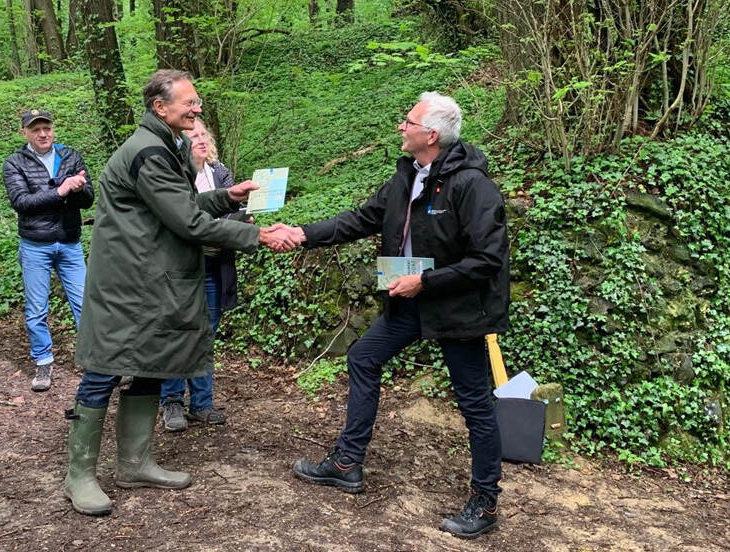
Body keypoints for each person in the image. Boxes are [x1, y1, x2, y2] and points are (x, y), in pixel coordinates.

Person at [277, 92, 509, 539]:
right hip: (408, 301)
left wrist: (426, 280)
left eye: (409, 121)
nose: (401, 127)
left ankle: (484, 502)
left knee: (475, 404)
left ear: (431, 134)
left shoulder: (472, 185)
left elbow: (488, 259)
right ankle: (347, 463)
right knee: (364, 356)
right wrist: (301, 233)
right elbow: (361, 219)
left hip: (457, 308)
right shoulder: (406, 177)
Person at [64, 69, 294, 516]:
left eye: (197, 100)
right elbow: (187, 223)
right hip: (127, 285)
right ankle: (80, 476)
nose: (197, 108)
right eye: (189, 102)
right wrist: (257, 236)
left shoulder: (167, 145)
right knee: (104, 370)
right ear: (160, 107)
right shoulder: (148, 151)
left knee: (151, 363)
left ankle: (134, 464)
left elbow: (179, 206)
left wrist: (226, 197)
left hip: (153, 281)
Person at [159, 117, 249, 431]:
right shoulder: (171, 175)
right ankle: (171, 402)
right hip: (180, 268)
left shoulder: (220, 173)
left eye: (201, 134)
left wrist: (245, 222)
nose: (198, 140)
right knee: (177, 332)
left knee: (205, 335)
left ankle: (201, 403)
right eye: (191, 136)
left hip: (213, 265)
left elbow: (231, 213)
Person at [2, 110, 94, 392]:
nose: (43, 134)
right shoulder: (15, 162)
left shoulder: (70, 156)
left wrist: (77, 188)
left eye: (47, 128)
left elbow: (88, 200)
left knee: (86, 303)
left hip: (69, 241)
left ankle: (94, 361)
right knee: (36, 309)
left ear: (53, 129)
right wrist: (61, 191)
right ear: (25, 133)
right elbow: (22, 202)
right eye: (36, 129)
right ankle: (43, 362)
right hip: (35, 245)